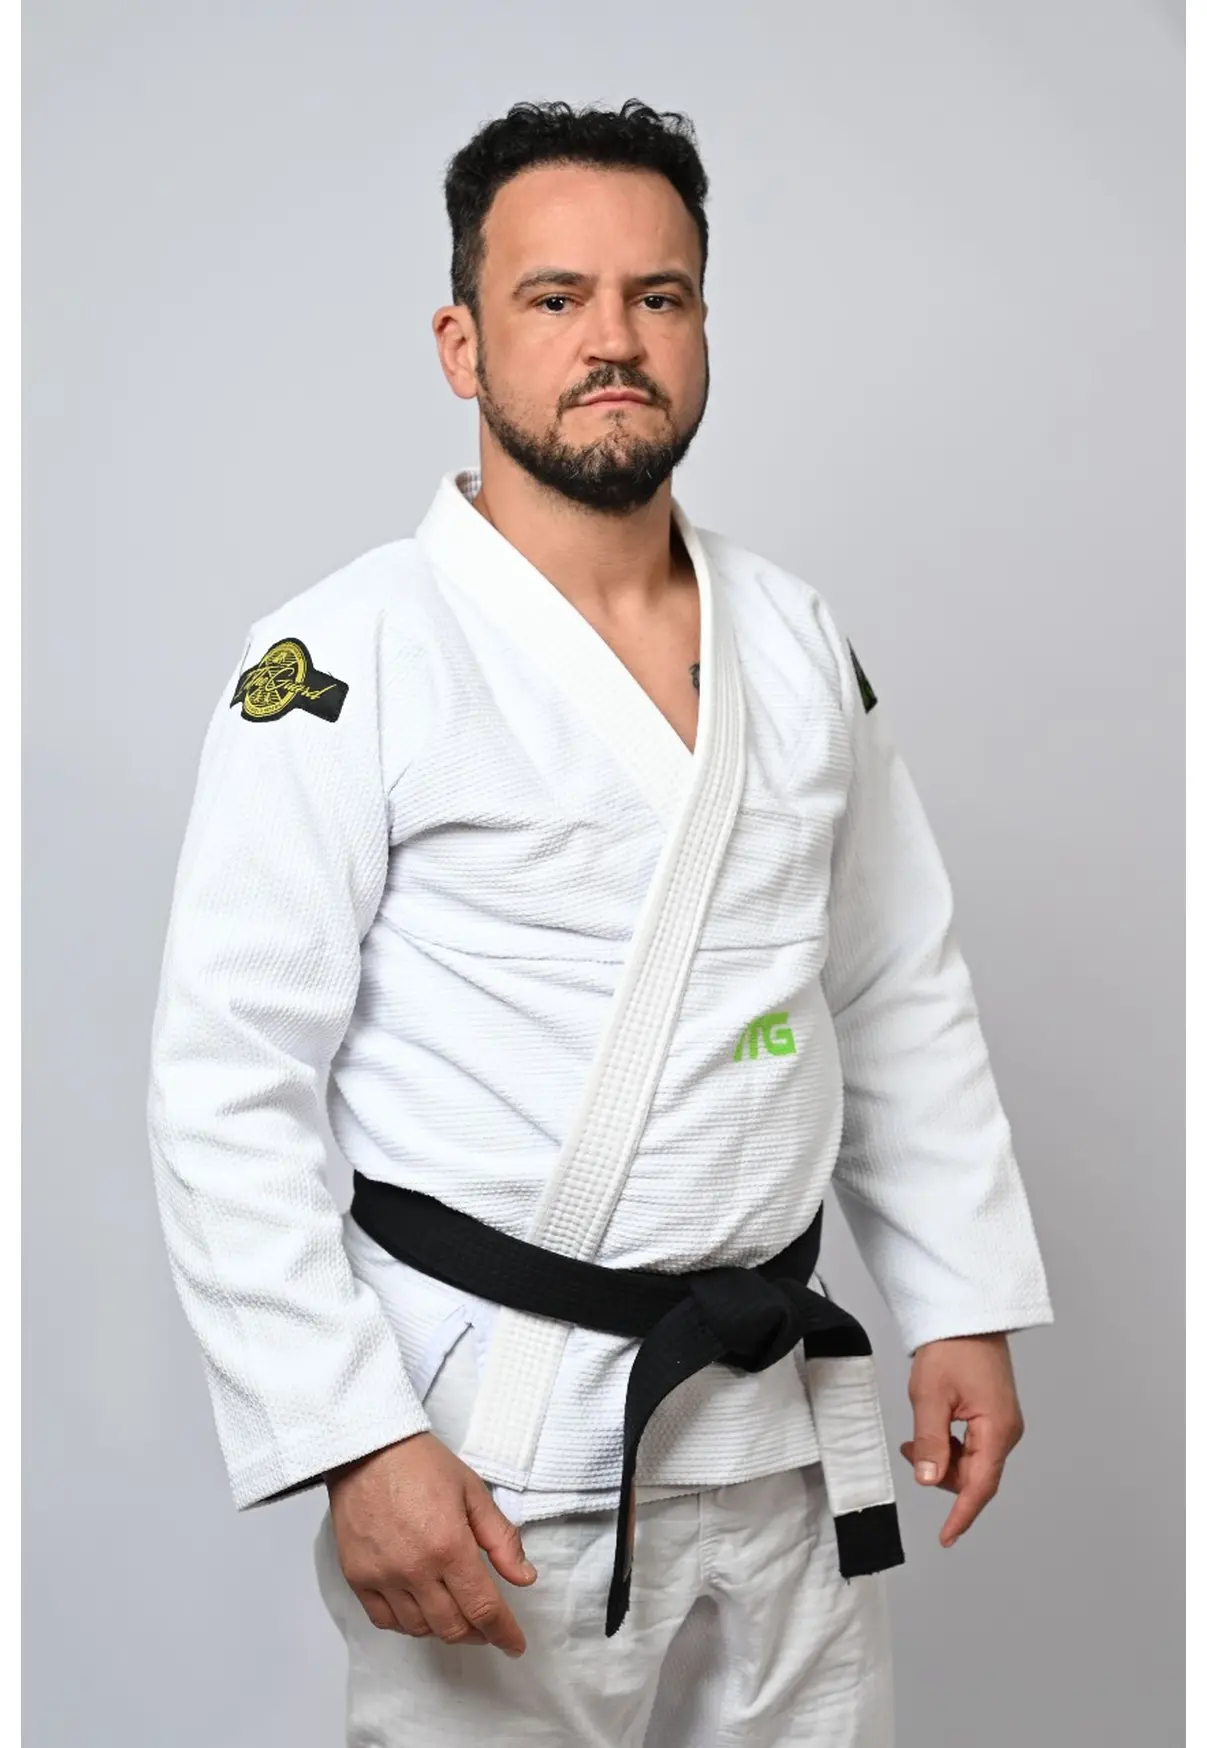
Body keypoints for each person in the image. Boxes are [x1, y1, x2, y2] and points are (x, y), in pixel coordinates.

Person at [146, 99, 1055, 1747]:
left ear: (703, 328)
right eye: (554, 297)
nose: (613, 340)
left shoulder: (793, 635)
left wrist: (961, 1300)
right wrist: (349, 1436)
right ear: (462, 343)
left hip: (778, 1431)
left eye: (659, 296)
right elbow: (228, 1082)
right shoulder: (346, 656)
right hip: (489, 1450)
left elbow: (891, 990)